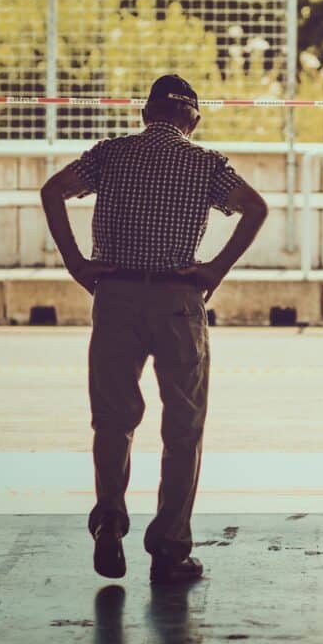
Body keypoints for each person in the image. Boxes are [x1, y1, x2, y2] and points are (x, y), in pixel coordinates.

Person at [41, 74, 268, 584]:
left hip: (115, 295)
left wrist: (78, 263)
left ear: (145, 114)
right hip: (177, 301)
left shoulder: (110, 155)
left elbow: (53, 191)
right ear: (193, 120)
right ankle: (170, 546)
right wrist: (214, 269)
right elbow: (256, 208)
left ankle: (109, 521)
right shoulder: (206, 163)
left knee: (113, 419)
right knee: (183, 426)